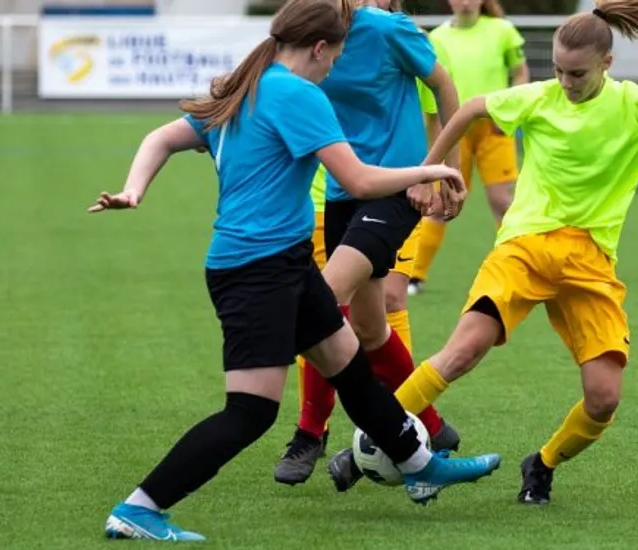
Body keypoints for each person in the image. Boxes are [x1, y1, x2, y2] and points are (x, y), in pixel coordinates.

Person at [328, 0, 638, 502]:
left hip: (590, 261)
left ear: (606, 65)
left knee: (603, 398)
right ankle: (368, 447)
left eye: (577, 74)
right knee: (462, 351)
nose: (566, 83)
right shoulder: (540, 97)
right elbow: (467, 109)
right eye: (558, 70)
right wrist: (436, 170)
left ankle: (543, 463)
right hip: (523, 247)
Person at [91, 0, 499, 540]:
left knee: (349, 365)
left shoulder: (249, 87)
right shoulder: (299, 94)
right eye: (334, 58)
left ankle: (421, 467)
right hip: (256, 273)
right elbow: (355, 180)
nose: (333, 70)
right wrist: (432, 169)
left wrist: (134, 189)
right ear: (318, 48)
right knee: (250, 412)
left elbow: (162, 137)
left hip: (282, 265)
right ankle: (140, 506)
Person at [274, 0, 466, 490]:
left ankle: (309, 432)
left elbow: (444, 87)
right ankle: (433, 426)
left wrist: (445, 168)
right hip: (345, 188)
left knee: (322, 298)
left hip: (400, 189)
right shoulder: (307, 35)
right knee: (369, 326)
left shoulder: (385, 30)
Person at [407, 0, 530, 296]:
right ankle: (415, 276)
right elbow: (431, 89)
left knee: (502, 200)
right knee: (440, 201)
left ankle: (522, 269)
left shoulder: (503, 30)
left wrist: (511, 108)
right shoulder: (436, 38)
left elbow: (520, 73)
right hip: (454, 129)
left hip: (493, 127)